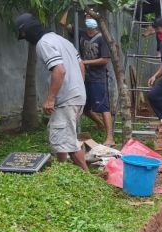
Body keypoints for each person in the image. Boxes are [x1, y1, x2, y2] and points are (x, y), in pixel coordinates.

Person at [15, 13, 88, 171]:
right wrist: (77, 87)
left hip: (66, 99)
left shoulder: (44, 43)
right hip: (76, 96)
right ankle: (60, 170)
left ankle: (87, 178)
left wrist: (50, 99)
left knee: (67, 141)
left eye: (25, 35)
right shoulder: (62, 40)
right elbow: (81, 65)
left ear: (28, 32)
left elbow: (59, 70)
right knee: (60, 136)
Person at [59, 11, 115, 147]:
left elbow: (104, 60)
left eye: (91, 17)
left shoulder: (102, 38)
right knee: (84, 108)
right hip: (83, 77)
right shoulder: (81, 33)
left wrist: (84, 63)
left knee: (103, 107)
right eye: (87, 17)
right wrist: (68, 7)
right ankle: (100, 124)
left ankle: (110, 137)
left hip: (97, 78)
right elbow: (63, 23)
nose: (89, 19)